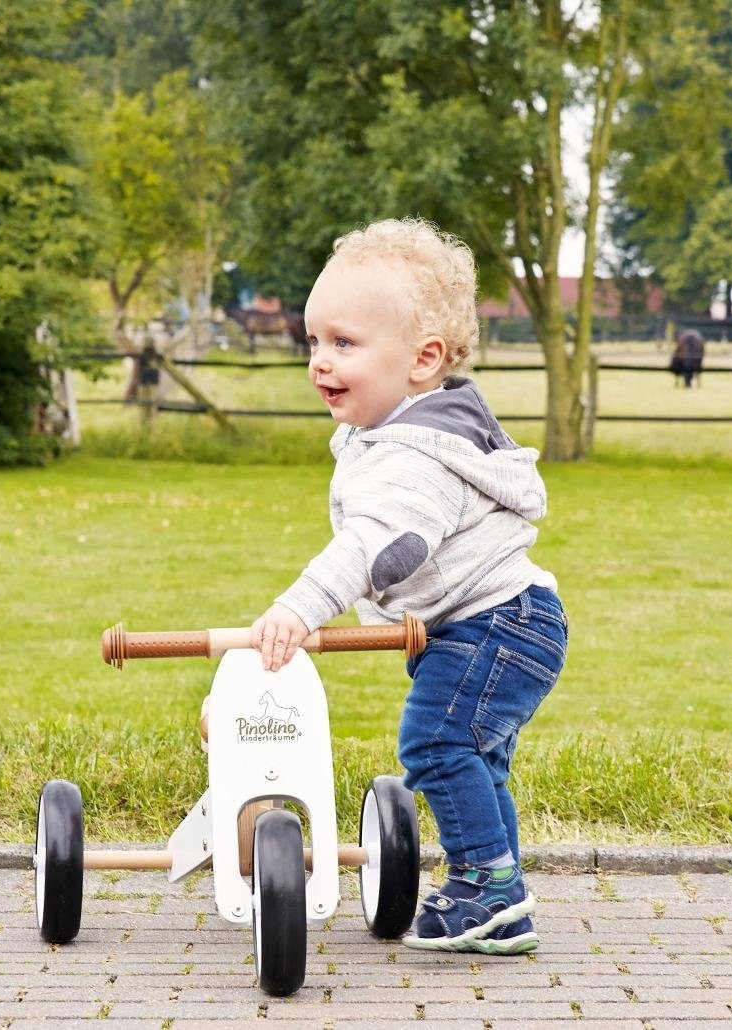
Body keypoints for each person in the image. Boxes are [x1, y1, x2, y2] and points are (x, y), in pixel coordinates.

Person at [248, 217, 567, 955]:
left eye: (345, 343)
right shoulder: (403, 430)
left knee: (435, 740)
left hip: (496, 625)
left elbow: (378, 545)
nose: (320, 362)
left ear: (423, 360)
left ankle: (488, 888)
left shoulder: (417, 455)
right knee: (475, 759)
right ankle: (497, 899)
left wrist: (299, 607)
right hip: (505, 623)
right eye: (314, 341)